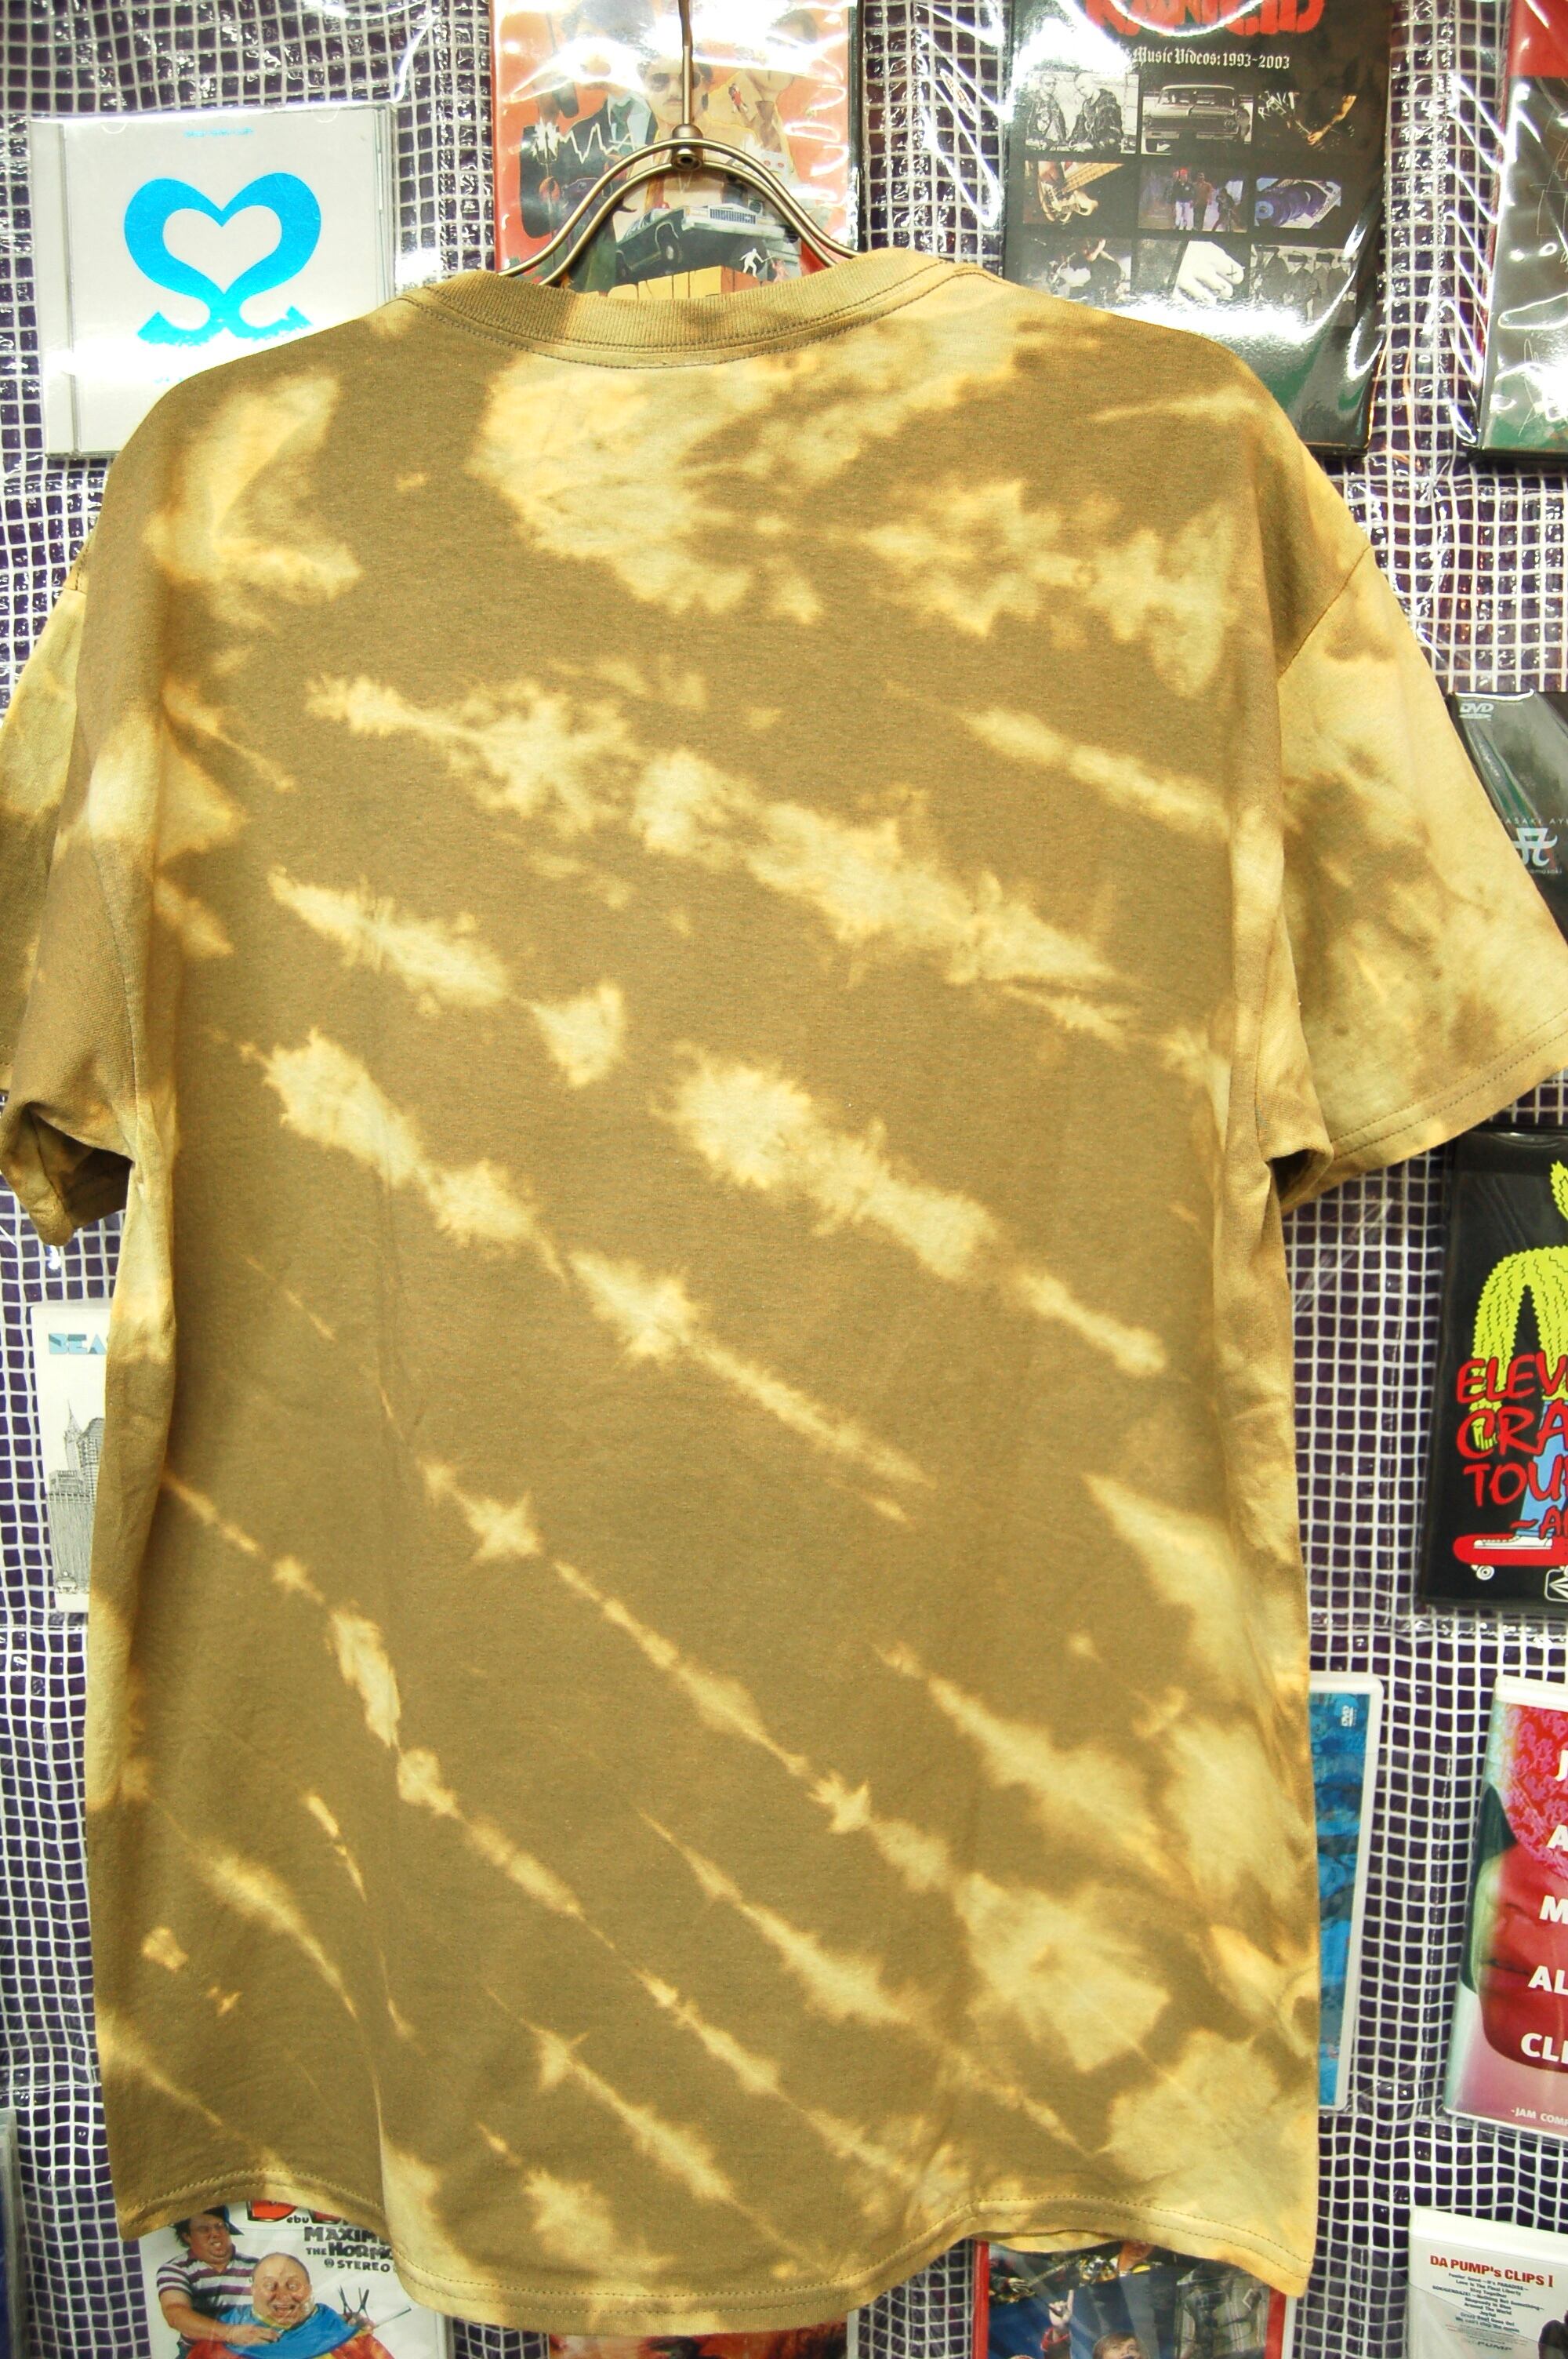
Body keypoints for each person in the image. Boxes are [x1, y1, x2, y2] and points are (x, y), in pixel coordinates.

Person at [156, 2212, 267, 2354]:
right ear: (187, 2236)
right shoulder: (175, 2269)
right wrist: (230, 2333)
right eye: (204, 2229)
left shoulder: (258, 2267)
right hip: (198, 2354)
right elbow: (175, 2314)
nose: (215, 2233)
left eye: (220, 2226)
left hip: (251, 2353)